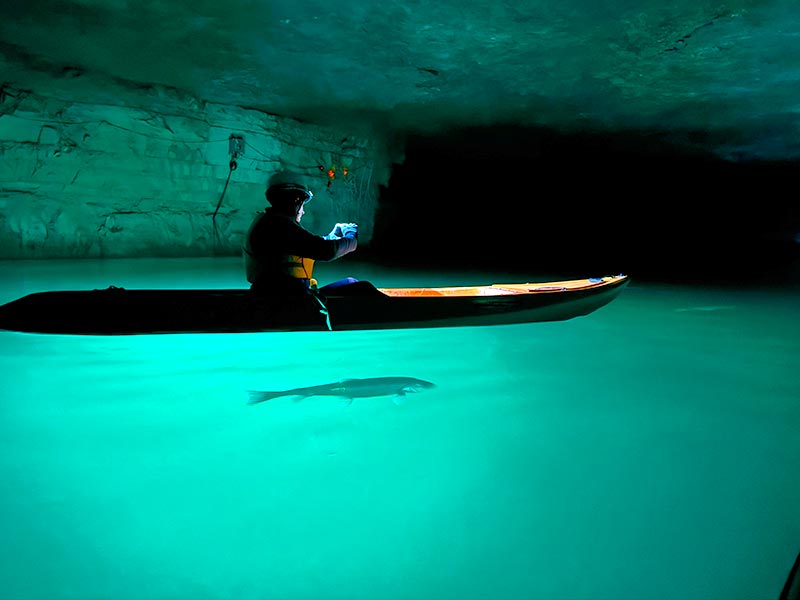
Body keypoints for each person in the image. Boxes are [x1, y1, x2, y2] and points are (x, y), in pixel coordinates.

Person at [242, 171, 368, 298]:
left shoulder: (270, 222)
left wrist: (334, 235)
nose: (303, 212)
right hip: (284, 302)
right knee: (362, 289)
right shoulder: (278, 225)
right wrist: (351, 238)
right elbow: (325, 250)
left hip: (283, 296)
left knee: (351, 283)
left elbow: (309, 244)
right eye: (302, 204)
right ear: (296, 200)